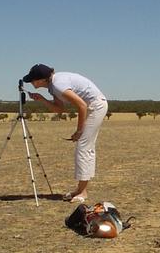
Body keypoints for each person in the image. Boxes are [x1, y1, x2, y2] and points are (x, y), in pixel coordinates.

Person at [23, 63, 108, 204]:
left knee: (84, 147)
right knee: (84, 147)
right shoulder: (53, 87)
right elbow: (59, 110)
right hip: (92, 106)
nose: (31, 82)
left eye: (32, 80)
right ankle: (80, 190)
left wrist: (79, 131)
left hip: (96, 106)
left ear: (40, 79)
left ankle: (83, 192)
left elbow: (82, 105)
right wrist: (42, 99)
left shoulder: (58, 85)